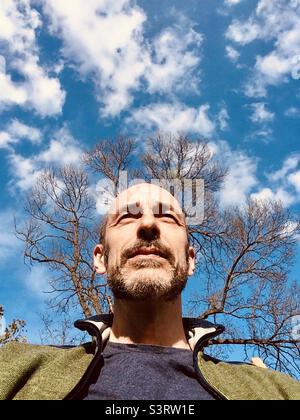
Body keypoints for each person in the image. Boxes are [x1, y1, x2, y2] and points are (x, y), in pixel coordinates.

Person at [0, 183, 299, 400]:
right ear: (100, 259)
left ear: (191, 260)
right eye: (127, 217)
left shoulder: (275, 390)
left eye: (168, 217)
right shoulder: (17, 368)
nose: (147, 224)